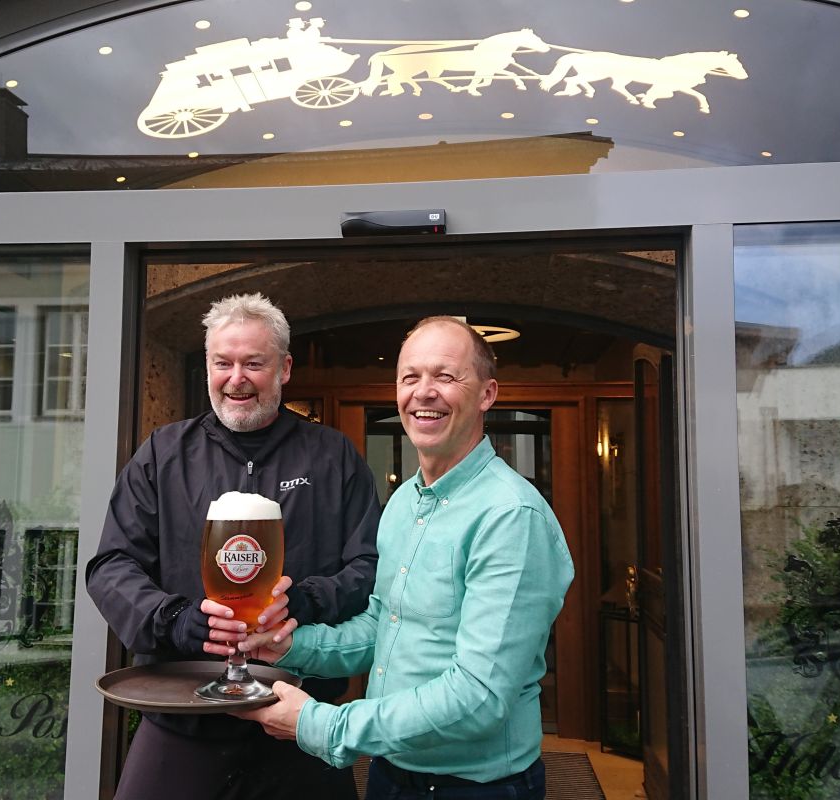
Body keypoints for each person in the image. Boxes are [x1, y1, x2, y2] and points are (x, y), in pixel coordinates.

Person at [237, 316, 574, 800]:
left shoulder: (511, 516)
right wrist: (289, 647)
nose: (424, 392)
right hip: (391, 774)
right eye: (410, 377)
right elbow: (383, 626)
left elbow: (479, 697)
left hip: (476, 789)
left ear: (487, 394)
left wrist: (322, 724)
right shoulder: (403, 502)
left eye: (446, 376)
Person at [86, 292, 380, 800]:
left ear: (285, 368)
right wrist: (176, 620)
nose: (236, 378)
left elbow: (369, 566)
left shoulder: (332, 456)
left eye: (254, 364)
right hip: (181, 721)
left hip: (296, 722)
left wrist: (305, 602)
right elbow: (111, 566)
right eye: (223, 363)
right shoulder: (162, 454)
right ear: (207, 366)